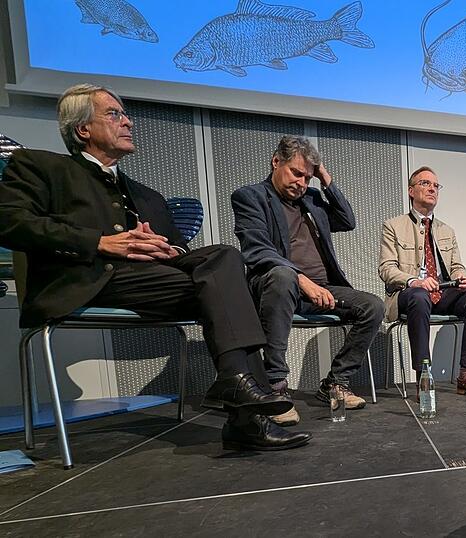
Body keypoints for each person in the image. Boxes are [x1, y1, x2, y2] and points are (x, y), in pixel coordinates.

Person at [0, 84, 309, 451]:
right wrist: (100, 241)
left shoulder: (146, 194)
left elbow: (182, 247)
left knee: (226, 259)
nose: (128, 121)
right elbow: (10, 222)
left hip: (152, 278)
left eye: (125, 114)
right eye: (114, 114)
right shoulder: (41, 167)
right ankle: (246, 416)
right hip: (92, 277)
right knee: (230, 295)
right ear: (83, 128)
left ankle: (234, 382)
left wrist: (165, 248)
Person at [232, 136, 385, 425]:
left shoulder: (312, 200)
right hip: (276, 285)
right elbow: (257, 250)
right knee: (282, 276)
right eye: (296, 173)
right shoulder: (250, 197)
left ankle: (335, 384)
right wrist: (301, 280)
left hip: (322, 289)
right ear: (276, 162)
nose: (302, 183)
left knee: (373, 306)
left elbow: (347, 220)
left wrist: (324, 177)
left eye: (307, 177)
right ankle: (274, 388)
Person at [379, 166, 466, 398]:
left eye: (435, 185)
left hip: (443, 292)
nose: (432, 189)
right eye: (425, 184)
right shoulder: (393, 226)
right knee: (419, 297)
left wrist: (462, 277)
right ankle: (423, 376)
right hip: (409, 294)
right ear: (411, 191)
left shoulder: (446, 230)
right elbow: (386, 269)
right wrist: (413, 281)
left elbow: (456, 265)